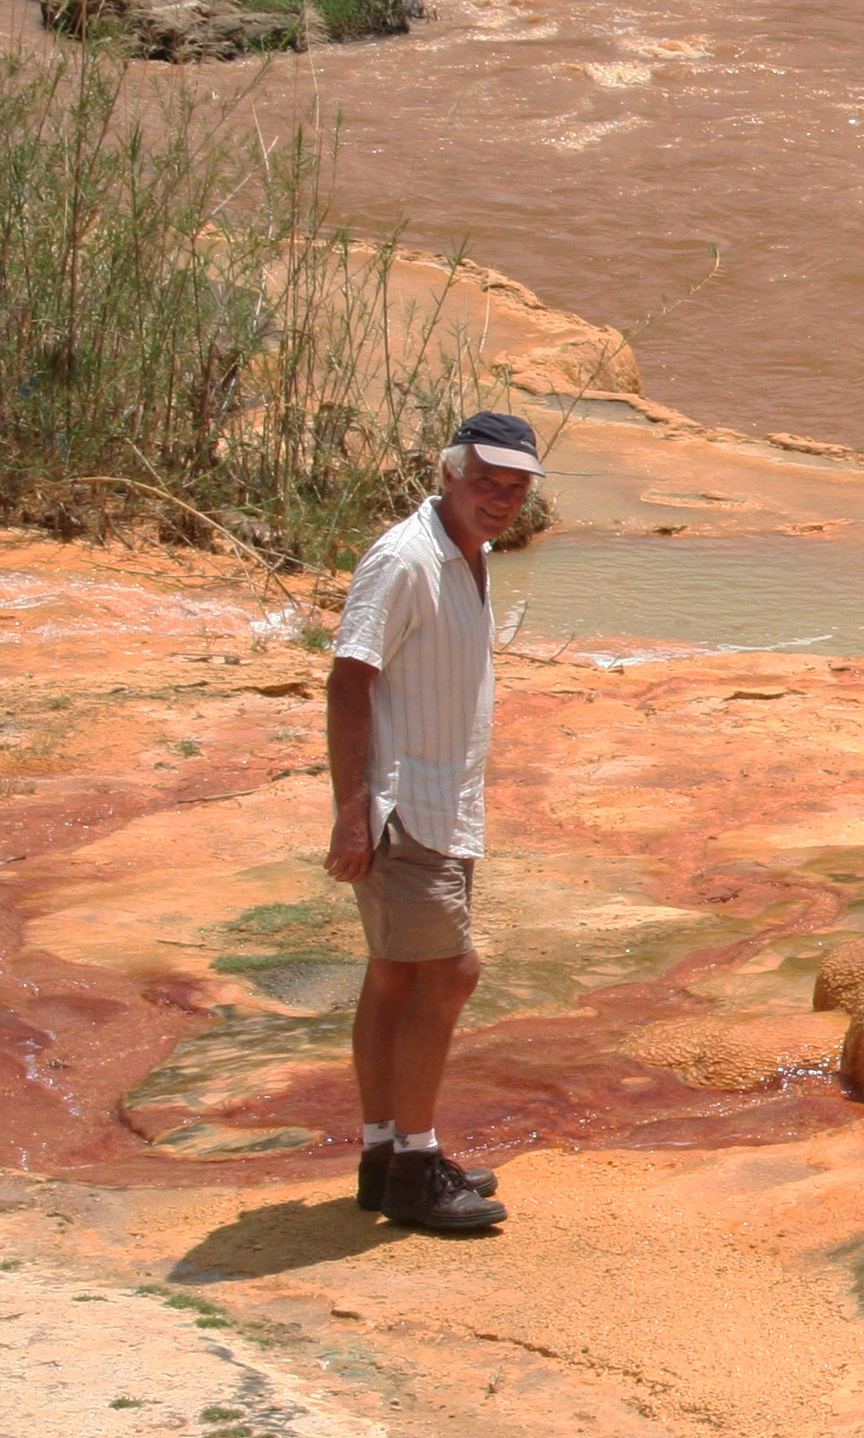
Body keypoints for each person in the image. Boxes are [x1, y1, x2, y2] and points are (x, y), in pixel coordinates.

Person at [323, 411, 543, 1231]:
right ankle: (416, 1167)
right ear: (449, 471)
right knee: (451, 973)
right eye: (485, 481)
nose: (499, 499)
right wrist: (354, 812)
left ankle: (386, 1156)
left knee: (397, 974)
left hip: (444, 804)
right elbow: (349, 681)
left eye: (514, 489)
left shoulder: (470, 557)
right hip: (402, 806)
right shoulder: (406, 559)